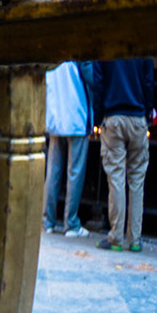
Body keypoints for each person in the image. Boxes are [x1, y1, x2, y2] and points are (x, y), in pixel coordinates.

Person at [95, 49, 155, 252]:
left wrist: (97, 118)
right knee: (137, 180)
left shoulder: (105, 46)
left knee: (116, 179)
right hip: (138, 118)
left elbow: (98, 84)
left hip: (113, 118)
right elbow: (148, 83)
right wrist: (147, 114)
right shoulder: (143, 46)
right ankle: (135, 239)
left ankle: (116, 237)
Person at [43, 60, 93, 238]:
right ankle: (70, 223)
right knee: (75, 174)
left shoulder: (52, 53)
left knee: (53, 172)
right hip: (77, 117)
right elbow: (92, 78)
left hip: (56, 118)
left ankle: (48, 220)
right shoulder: (80, 53)